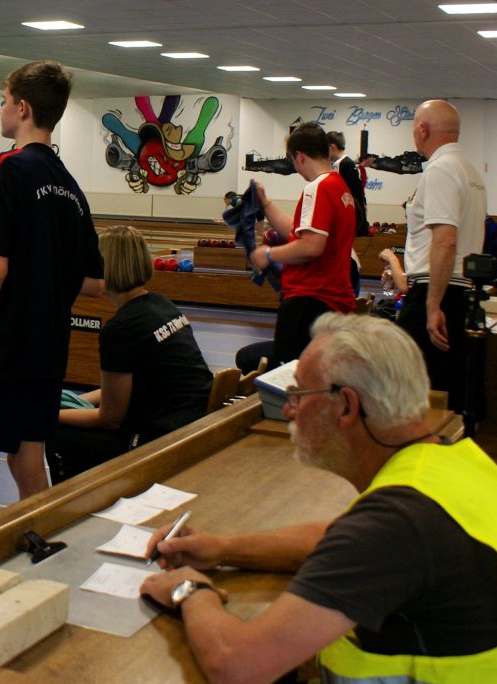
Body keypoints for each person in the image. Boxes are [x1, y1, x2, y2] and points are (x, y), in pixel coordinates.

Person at [139, 313, 497, 684]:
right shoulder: (451, 463)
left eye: (298, 394)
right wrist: (223, 548)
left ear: (346, 405)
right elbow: (336, 541)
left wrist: (190, 591)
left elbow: (237, 666)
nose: (288, 409)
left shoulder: (397, 522)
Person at [0, 60, 103, 537]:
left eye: (4, 101)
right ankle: (44, 543)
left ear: (23, 108)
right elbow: (95, 282)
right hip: (48, 351)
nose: (2, 109)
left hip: (0, 349)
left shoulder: (7, 166)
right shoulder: (70, 186)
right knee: (27, 458)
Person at [47, 226, 212, 483]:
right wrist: (72, 400)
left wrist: (47, 415)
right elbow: (122, 389)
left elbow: (110, 419)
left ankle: (74, 503)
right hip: (195, 421)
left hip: (163, 438)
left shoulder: (122, 328)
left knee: (56, 434)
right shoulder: (162, 304)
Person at [234, 122, 355, 373]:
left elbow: (311, 246)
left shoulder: (317, 188)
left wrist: (268, 254)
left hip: (309, 302)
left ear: (299, 156)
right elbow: (298, 231)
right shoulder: (339, 187)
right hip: (330, 301)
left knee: (289, 378)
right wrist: (266, 204)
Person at [397, 99, 486, 414]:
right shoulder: (470, 172)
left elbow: (445, 241)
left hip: (436, 291)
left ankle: (427, 444)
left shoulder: (441, 169)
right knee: (452, 389)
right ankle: (455, 443)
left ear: (422, 130)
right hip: (460, 290)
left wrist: (432, 305)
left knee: (424, 393)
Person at [327, 131, 370, 237]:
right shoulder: (348, 163)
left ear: (332, 147)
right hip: (356, 219)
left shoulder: (342, 164)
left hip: (351, 221)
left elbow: (344, 195)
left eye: (325, 149)